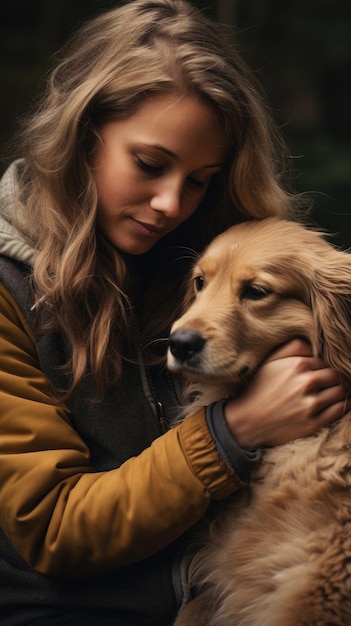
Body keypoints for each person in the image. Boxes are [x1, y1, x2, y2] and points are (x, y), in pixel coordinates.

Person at [0, 1, 347, 624]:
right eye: (151, 165)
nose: (170, 204)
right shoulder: (7, 289)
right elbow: (50, 526)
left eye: (201, 179)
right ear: (82, 137)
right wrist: (233, 430)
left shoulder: (198, 255)